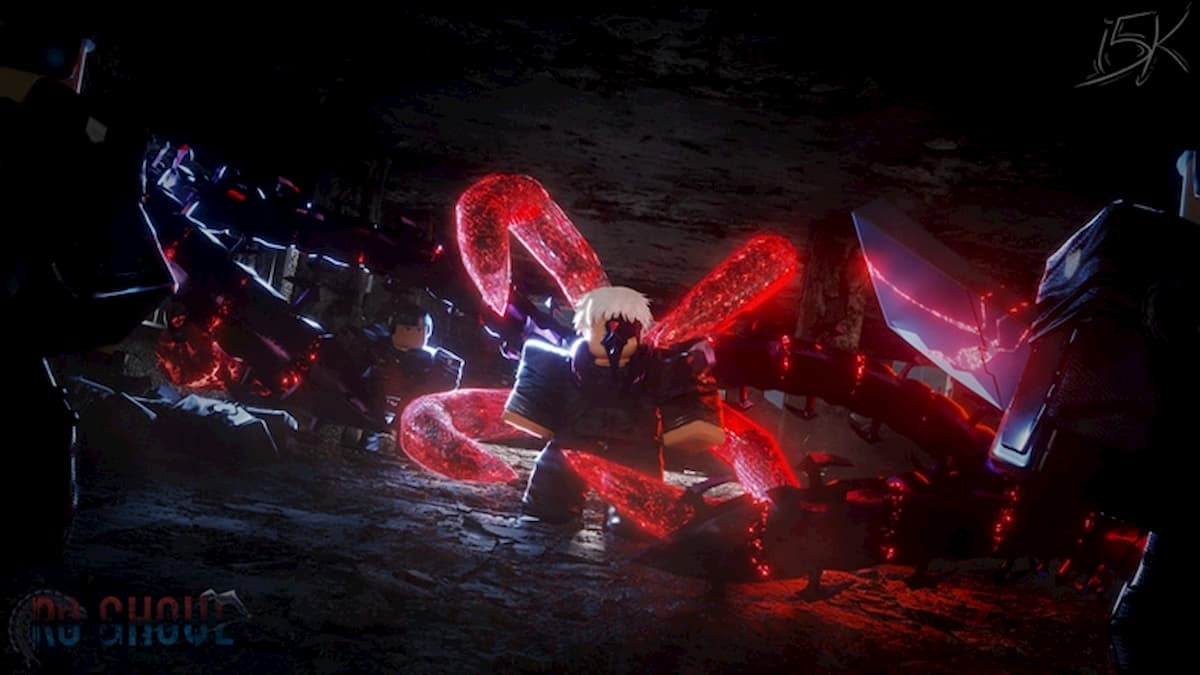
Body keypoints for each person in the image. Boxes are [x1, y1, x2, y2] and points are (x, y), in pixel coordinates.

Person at [502, 286, 726, 536]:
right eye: (604, 325)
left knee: (631, 527)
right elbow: (531, 414)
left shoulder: (658, 366)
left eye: (625, 326)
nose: (614, 334)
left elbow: (691, 421)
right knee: (548, 510)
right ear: (585, 326)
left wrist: (696, 369)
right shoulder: (565, 361)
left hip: (635, 450)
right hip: (573, 444)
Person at [349, 300, 463, 451]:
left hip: (410, 419)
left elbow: (435, 397)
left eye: (417, 329)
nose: (410, 334)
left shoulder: (437, 361)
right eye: (406, 328)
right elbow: (354, 378)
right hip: (374, 412)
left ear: (427, 332)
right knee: (357, 439)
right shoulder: (376, 347)